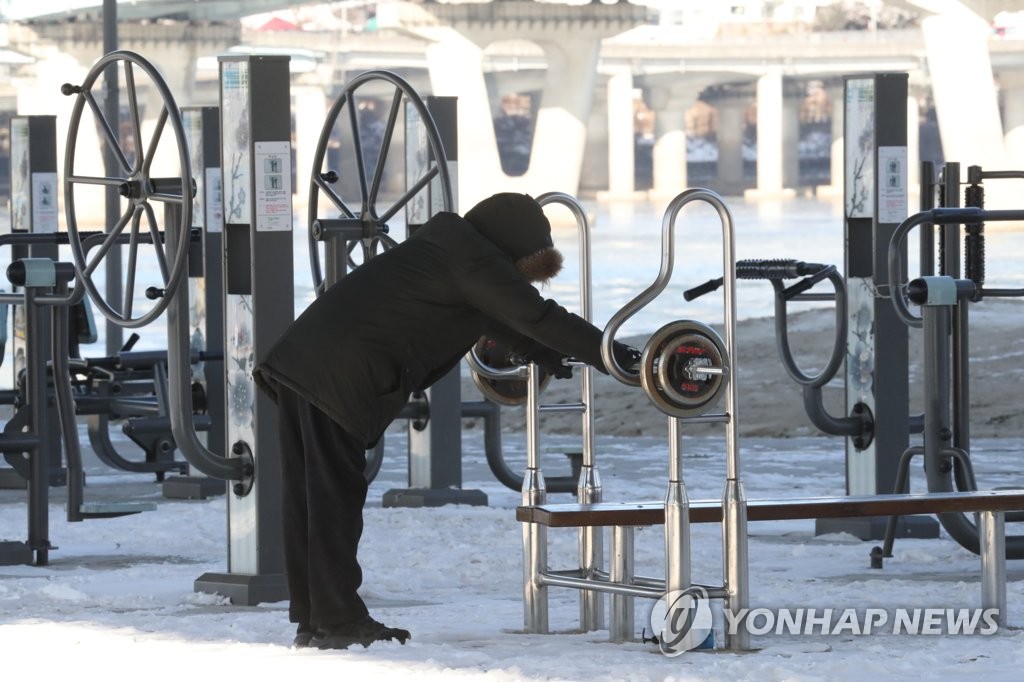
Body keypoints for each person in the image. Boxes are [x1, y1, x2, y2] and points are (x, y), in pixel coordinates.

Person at [252, 192, 640, 650]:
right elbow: (537, 314)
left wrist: (547, 354)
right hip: (338, 378)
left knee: (309, 498)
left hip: (302, 364)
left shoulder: (446, 248)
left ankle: (315, 618)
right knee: (334, 500)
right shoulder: (472, 260)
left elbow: (503, 323)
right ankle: (336, 621)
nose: (518, 276)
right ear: (512, 248)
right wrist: (612, 354)